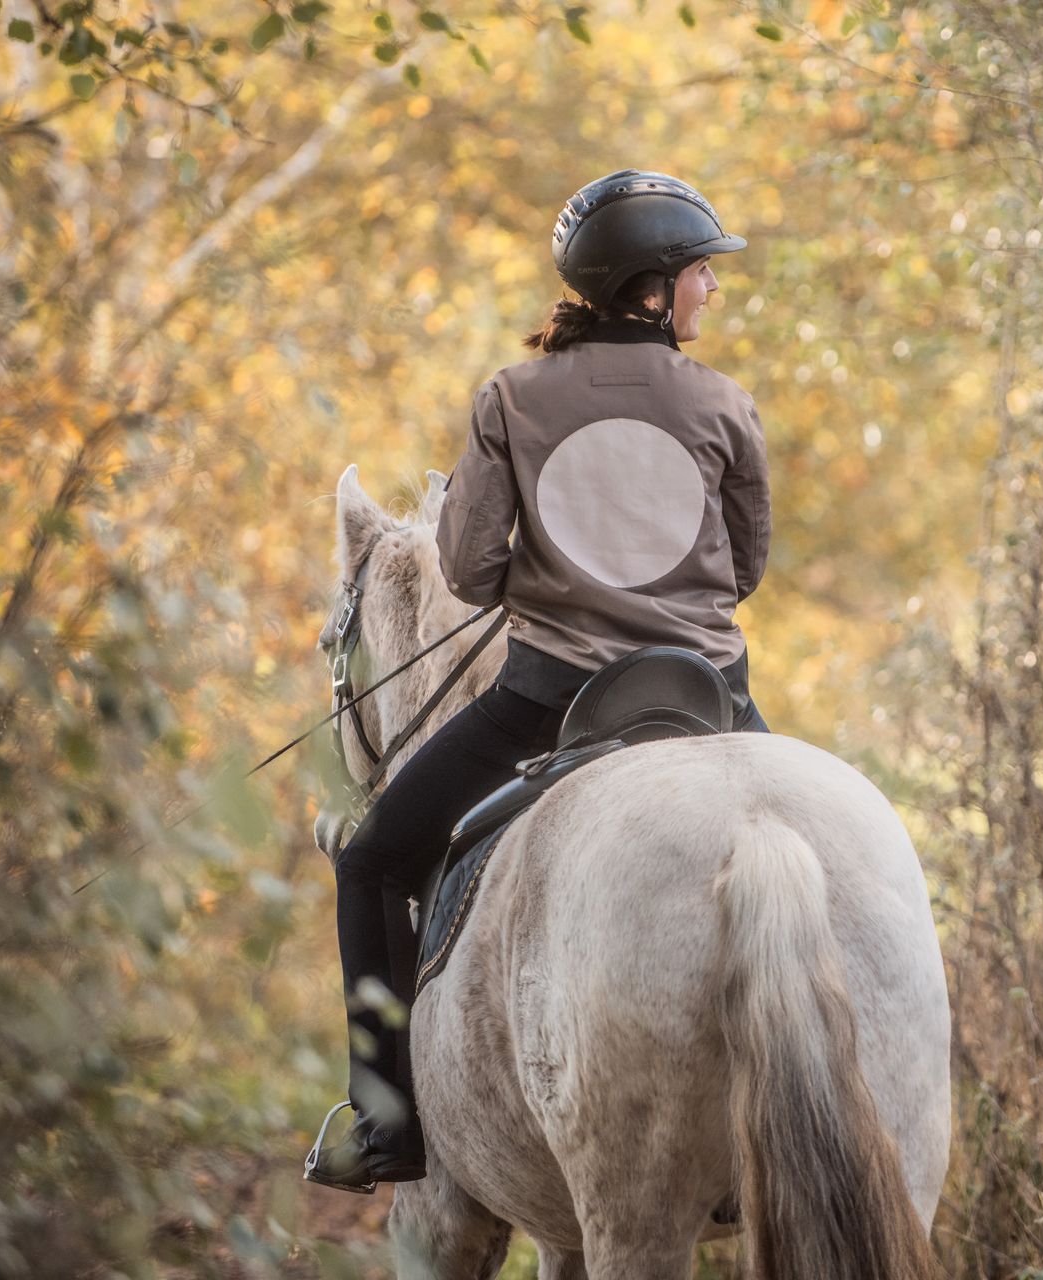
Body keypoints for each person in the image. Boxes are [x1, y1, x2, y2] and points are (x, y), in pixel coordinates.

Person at [306, 170, 772, 1192]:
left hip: (548, 695)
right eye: (701, 272)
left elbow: (468, 573)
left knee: (375, 860)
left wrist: (561, 565)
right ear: (651, 288)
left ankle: (386, 1124)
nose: (712, 289)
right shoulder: (725, 403)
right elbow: (747, 566)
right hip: (711, 695)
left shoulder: (511, 398)